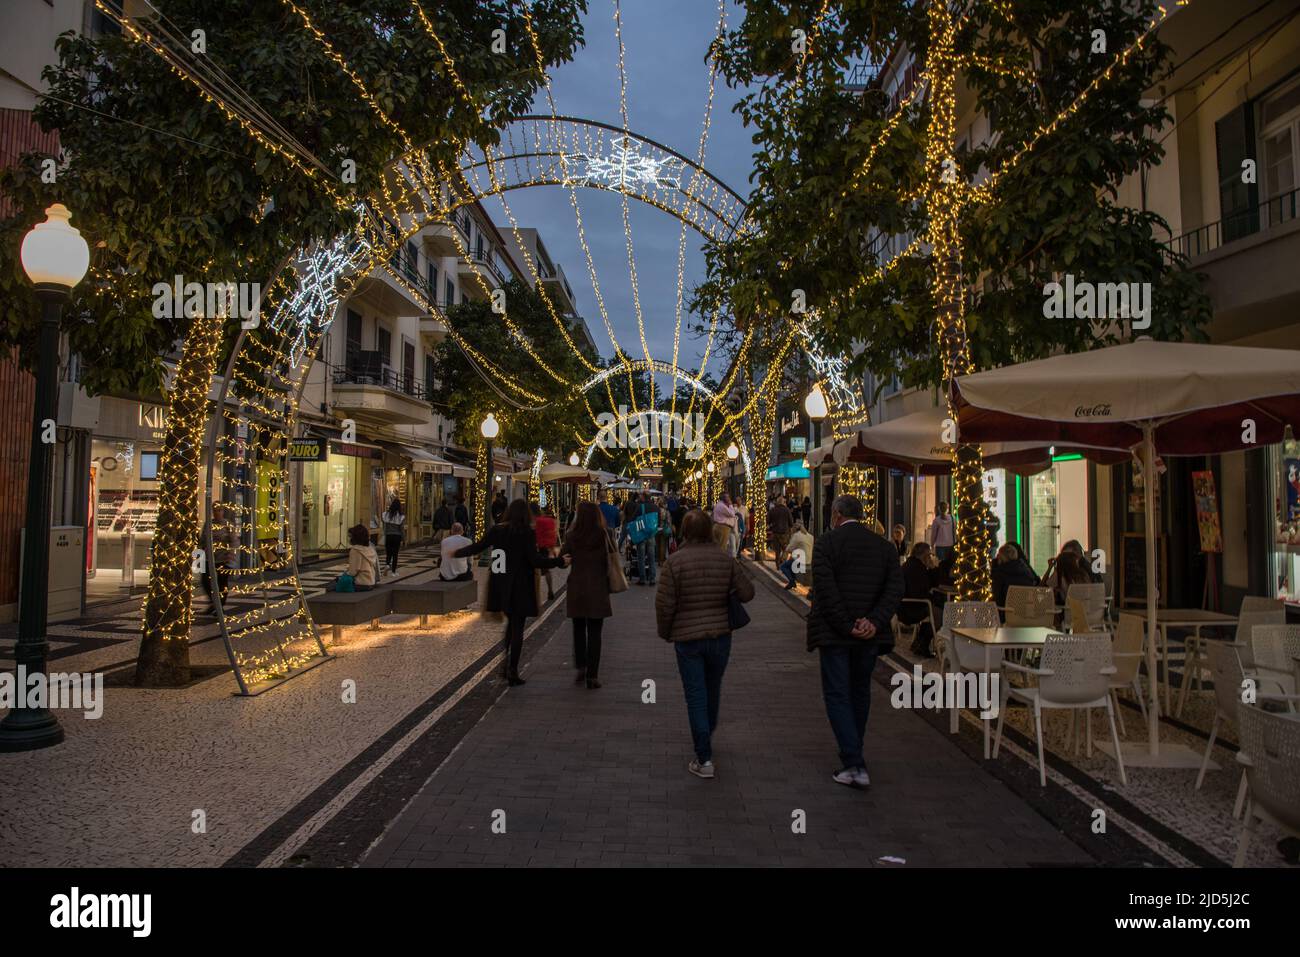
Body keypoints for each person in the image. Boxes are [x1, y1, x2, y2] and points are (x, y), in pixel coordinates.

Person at [806, 495, 903, 789]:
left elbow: (824, 589)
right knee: (860, 691)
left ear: (836, 515)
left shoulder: (826, 544)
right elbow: (895, 588)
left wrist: (847, 625)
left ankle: (853, 762)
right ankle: (854, 753)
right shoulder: (885, 547)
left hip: (836, 635)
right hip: (869, 635)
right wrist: (873, 620)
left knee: (837, 694)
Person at [656, 508, 754, 779]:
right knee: (712, 689)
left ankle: (704, 756)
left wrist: (666, 632)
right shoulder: (725, 559)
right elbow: (748, 592)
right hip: (720, 636)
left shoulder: (674, 563)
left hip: (688, 640)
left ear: (684, 532)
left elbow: (665, 604)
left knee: (696, 695)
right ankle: (705, 736)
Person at [454, 499, 568, 686]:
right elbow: (535, 560)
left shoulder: (497, 530)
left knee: (511, 625)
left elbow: (478, 547)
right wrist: (559, 562)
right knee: (517, 629)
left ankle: (506, 664)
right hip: (521, 587)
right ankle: (512, 669)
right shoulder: (527, 533)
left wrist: (455, 553)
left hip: (502, 587)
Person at [560, 501, 613, 689]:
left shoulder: (572, 535)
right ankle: (593, 675)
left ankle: (581, 665)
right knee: (595, 632)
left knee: (578, 629)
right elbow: (609, 560)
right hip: (597, 588)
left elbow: (563, 558)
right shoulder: (602, 535)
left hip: (577, 588)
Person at [900, 542, 938, 658]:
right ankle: (923, 645)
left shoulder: (909, 565)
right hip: (912, 607)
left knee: (934, 607)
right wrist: (932, 568)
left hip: (903, 606)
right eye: (929, 555)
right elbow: (922, 591)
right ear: (925, 555)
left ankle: (919, 643)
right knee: (938, 611)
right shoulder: (918, 569)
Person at [991, 542, 1039, 608]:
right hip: (1025, 614)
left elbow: (998, 601)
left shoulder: (1000, 574)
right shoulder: (1027, 572)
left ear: (1000, 558)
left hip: (1006, 614)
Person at [334, 523, 378, 591]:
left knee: (333, 586)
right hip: (371, 582)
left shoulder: (355, 550)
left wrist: (343, 576)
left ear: (355, 537)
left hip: (361, 583)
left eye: (350, 536)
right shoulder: (370, 549)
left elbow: (353, 571)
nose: (349, 538)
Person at [531, 502, 559, 602]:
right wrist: (552, 549)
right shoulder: (548, 520)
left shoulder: (534, 522)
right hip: (546, 549)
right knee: (547, 571)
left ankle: (535, 593)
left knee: (535, 572)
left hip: (537, 548)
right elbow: (552, 535)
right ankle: (550, 589)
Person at [629, 491, 658, 585]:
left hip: (642, 534)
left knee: (641, 557)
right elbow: (659, 519)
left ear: (644, 497)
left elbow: (633, 519)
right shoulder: (655, 507)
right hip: (651, 534)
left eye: (641, 495)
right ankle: (652, 578)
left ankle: (642, 579)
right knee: (651, 557)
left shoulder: (640, 507)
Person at [780, 521, 815, 591]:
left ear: (794, 529)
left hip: (801, 560)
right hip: (809, 558)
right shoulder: (810, 536)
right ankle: (792, 582)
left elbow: (789, 549)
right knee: (791, 562)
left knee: (783, 566)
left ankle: (792, 581)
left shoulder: (796, 536)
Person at [381, 497, 405, 574]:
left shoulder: (386, 515)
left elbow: (385, 527)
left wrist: (384, 534)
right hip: (397, 537)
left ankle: (387, 564)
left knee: (388, 552)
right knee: (395, 554)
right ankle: (393, 572)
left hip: (388, 536)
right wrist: (404, 539)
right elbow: (401, 529)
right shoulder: (400, 516)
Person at [768, 495, 794, 567]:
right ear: (783, 502)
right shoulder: (787, 510)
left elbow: (768, 521)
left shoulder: (772, 510)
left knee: (777, 550)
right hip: (784, 533)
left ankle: (777, 565)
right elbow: (791, 522)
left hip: (775, 533)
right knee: (786, 549)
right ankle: (782, 560)